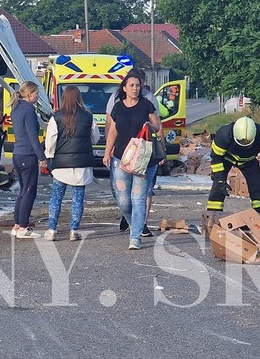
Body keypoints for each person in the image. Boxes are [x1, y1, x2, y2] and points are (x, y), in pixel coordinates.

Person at [102, 70, 163, 250]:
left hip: (144, 159)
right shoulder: (118, 107)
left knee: (138, 198)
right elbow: (113, 131)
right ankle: (133, 224)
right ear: (125, 88)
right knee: (123, 200)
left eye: (137, 85)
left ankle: (135, 236)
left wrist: (150, 126)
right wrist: (107, 152)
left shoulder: (147, 105)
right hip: (122, 158)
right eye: (131, 85)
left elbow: (157, 126)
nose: (135, 88)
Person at [45, 85, 100, 242]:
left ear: (64, 98)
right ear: (79, 98)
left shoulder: (56, 117)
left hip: (61, 166)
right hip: (82, 165)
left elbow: (51, 140)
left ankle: (51, 230)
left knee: (56, 197)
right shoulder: (88, 116)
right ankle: (73, 231)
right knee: (78, 199)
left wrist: (50, 156)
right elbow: (95, 138)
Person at [206, 117, 260, 216]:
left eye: (248, 143)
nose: (245, 144)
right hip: (226, 159)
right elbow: (216, 158)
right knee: (218, 188)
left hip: (249, 161)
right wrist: (219, 178)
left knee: (257, 189)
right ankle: (212, 216)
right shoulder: (223, 136)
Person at [10, 81, 46, 238]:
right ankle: (23, 227)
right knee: (29, 191)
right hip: (28, 154)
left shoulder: (16, 108)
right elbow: (33, 136)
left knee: (23, 190)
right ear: (29, 94)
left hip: (17, 153)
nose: (38, 96)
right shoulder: (29, 110)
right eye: (36, 93)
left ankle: (17, 224)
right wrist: (42, 158)